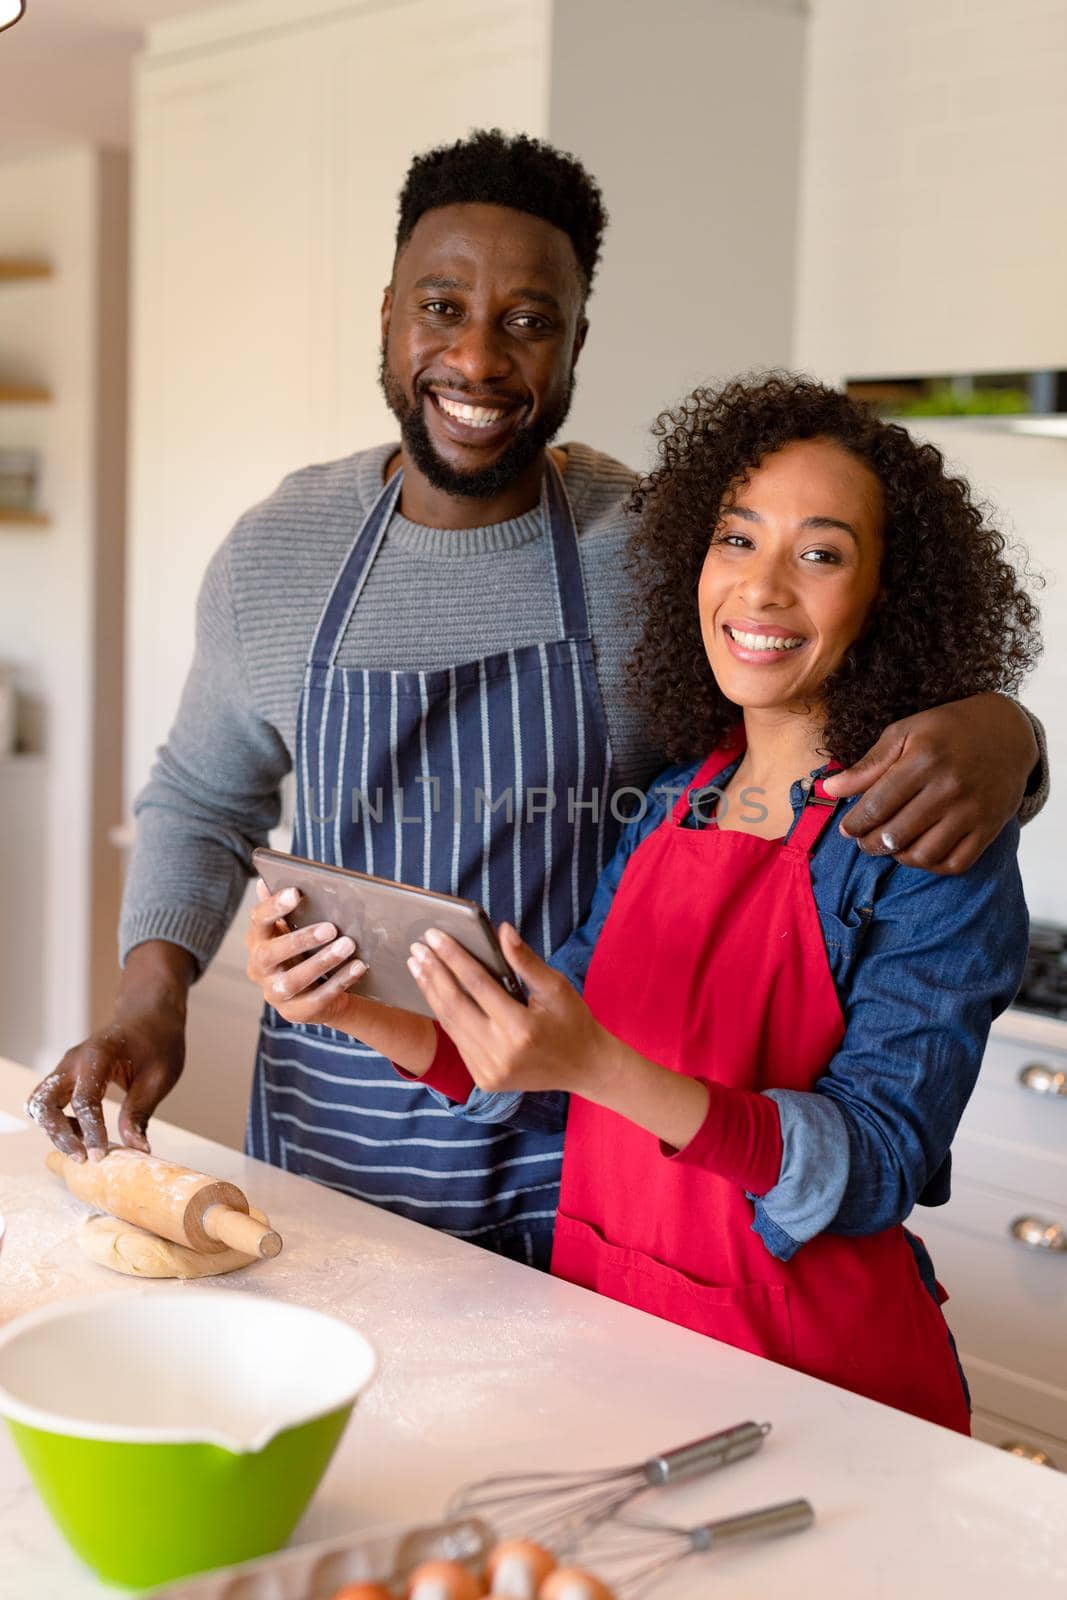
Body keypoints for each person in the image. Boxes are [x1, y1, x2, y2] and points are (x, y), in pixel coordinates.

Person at [30, 134, 1045, 1272]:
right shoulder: (277, 553)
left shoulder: (661, 548)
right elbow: (198, 800)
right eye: (440, 305)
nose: (476, 356)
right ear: (386, 316)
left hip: (600, 1182)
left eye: (527, 319)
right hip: (326, 1139)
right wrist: (149, 1004)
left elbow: (817, 676)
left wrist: (1008, 734)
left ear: (574, 342)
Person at [245, 374, 1037, 1430]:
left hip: (819, 1386)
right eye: (736, 539)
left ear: (886, 595)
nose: (758, 590)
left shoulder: (924, 841)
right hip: (612, 1336)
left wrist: (601, 1068)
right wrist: (349, 1005)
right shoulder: (672, 801)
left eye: (818, 552)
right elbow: (538, 1059)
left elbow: (873, 1163)